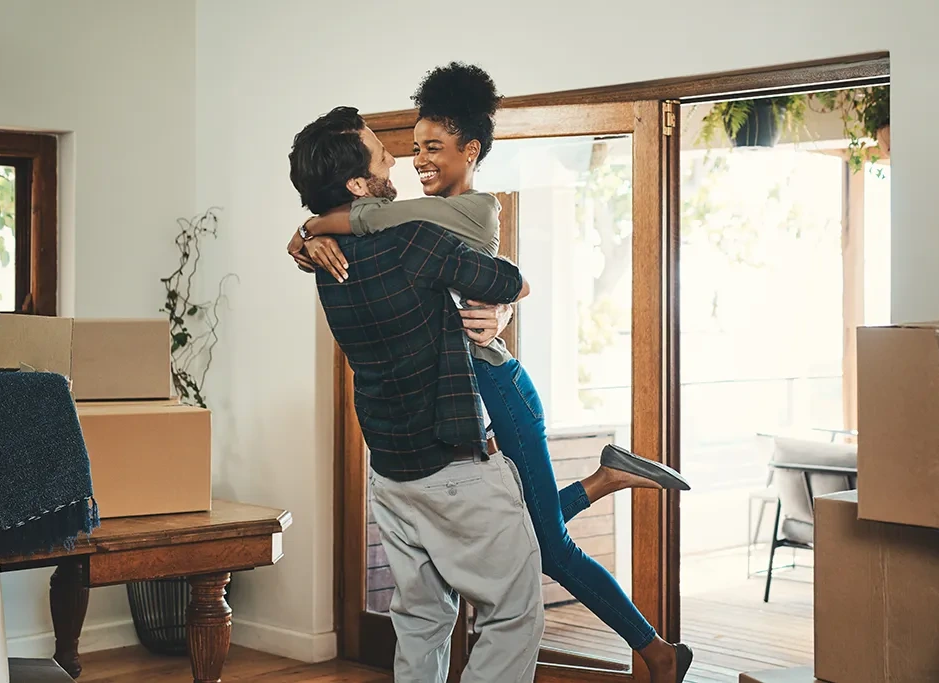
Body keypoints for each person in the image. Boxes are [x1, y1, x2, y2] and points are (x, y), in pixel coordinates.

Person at [288, 63, 693, 683]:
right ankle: (610, 497)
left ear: (470, 150)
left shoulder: (466, 212)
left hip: (492, 384)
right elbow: (381, 231)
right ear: (360, 180)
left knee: (543, 546)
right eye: (402, 148)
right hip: (453, 410)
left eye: (430, 147)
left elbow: (493, 272)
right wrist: (308, 233)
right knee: (535, 541)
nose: (409, 159)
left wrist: (312, 225)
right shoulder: (405, 227)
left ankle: (654, 647)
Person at [288, 105, 544, 683]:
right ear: (359, 183)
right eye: (382, 154)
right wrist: (504, 299)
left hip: (391, 472)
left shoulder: (322, 256)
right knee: (514, 611)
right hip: (452, 464)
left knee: (420, 621)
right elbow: (506, 280)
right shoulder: (412, 240)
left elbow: (332, 229)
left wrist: (306, 230)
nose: (395, 160)